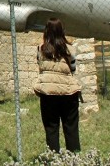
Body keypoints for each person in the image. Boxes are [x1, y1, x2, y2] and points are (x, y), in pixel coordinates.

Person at [32, 18, 81, 152]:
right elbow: (73, 68)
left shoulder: (40, 49)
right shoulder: (70, 50)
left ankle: (53, 162)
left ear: (46, 31)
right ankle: (74, 159)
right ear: (62, 31)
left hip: (48, 94)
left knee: (51, 129)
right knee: (71, 128)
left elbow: (40, 67)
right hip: (68, 92)